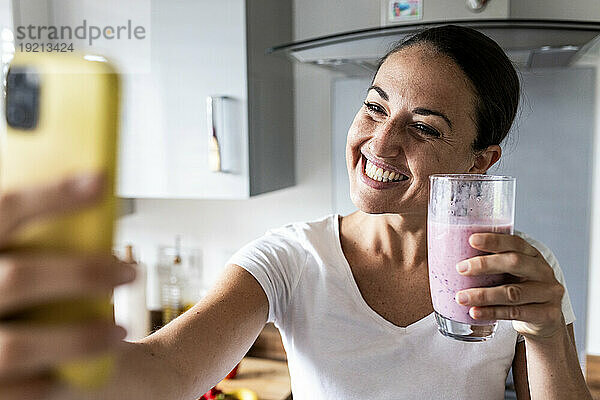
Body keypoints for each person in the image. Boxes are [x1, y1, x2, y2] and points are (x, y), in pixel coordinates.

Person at [0, 25, 592, 400]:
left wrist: (544, 337)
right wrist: (49, 364)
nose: (380, 145)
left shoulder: (513, 272)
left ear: (480, 159)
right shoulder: (292, 259)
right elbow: (164, 369)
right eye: (373, 108)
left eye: (423, 128)